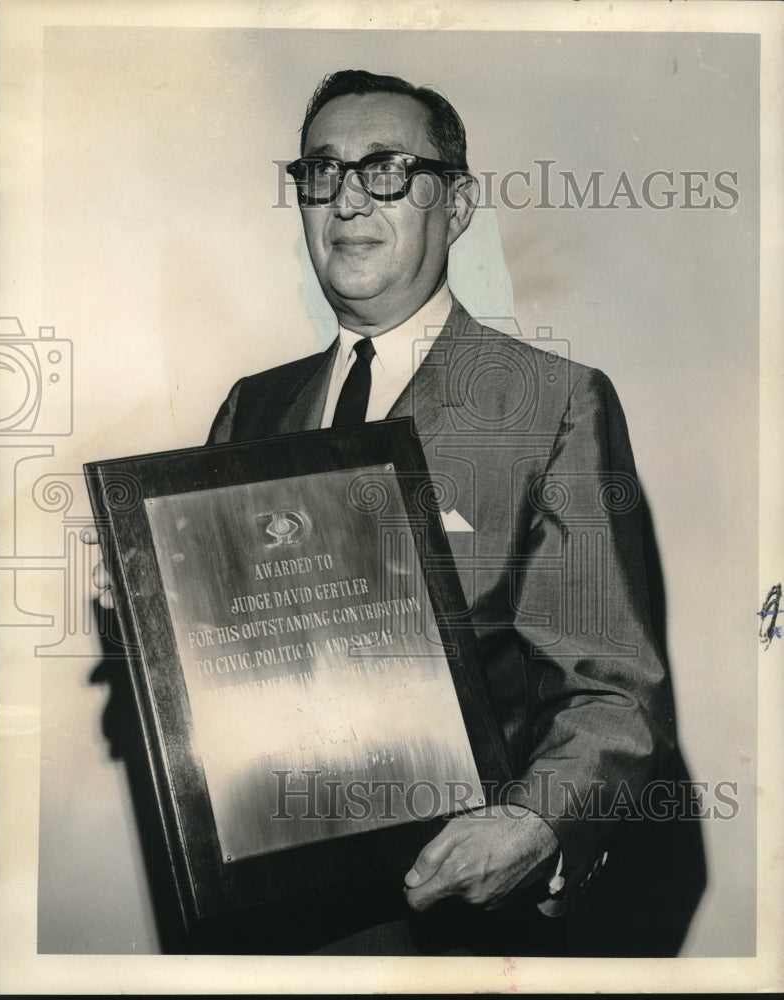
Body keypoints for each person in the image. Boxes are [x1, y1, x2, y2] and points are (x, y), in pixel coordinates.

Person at [95, 69, 676, 956]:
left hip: (459, 932)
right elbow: (232, 670)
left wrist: (534, 826)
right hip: (266, 929)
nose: (348, 200)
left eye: (387, 170)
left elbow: (612, 690)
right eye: (320, 173)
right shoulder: (253, 407)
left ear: (459, 203)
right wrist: (145, 604)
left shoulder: (551, 402)